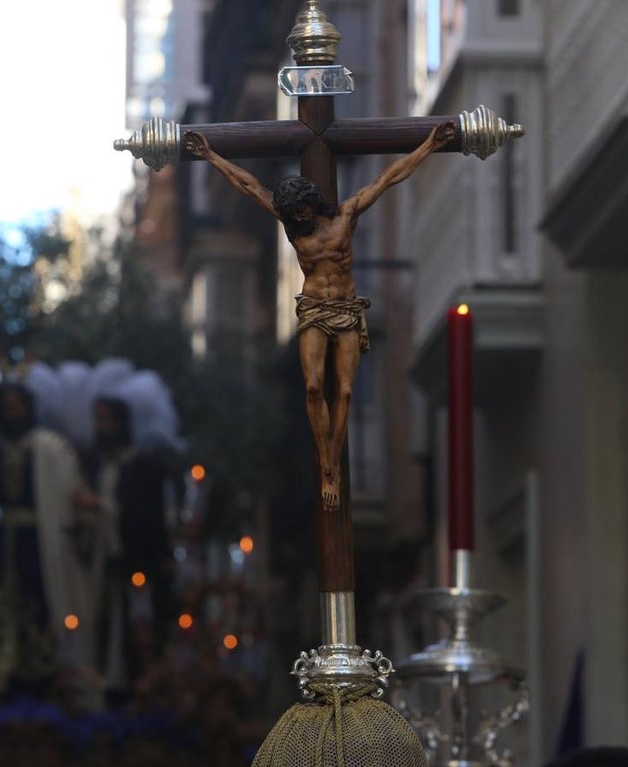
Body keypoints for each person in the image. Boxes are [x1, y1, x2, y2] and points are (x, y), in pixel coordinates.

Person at [184, 122, 456, 512]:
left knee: (344, 390)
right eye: (295, 213)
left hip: (346, 308)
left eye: (304, 208)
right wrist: (210, 156)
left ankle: (334, 462)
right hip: (313, 308)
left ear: (312, 201)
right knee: (313, 386)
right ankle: (327, 466)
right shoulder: (295, 230)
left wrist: (430, 144)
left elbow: (390, 177)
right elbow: (248, 186)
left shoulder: (346, 216)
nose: (301, 215)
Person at [0, 383, 91, 697]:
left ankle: (45, 679)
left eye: (18, 406)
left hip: (38, 544)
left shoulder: (49, 448)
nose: (14, 414)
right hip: (2, 544)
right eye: (7, 407)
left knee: (40, 606)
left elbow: (67, 494)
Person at [81, 395, 175, 700]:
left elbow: (146, 518)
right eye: (97, 420)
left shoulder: (144, 466)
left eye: (106, 420)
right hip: (103, 567)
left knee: (138, 637)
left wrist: (102, 506)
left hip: (137, 567)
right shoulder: (96, 466)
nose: (101, 427)